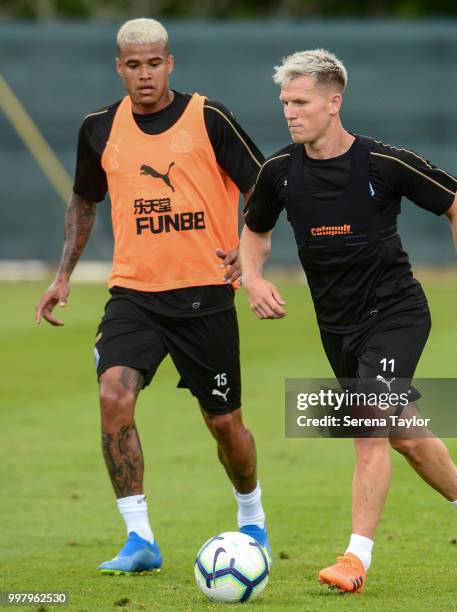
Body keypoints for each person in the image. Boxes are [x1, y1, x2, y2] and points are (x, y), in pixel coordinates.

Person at [240, 49, 457, 593]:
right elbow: (255, 230)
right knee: (405, 437)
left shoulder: (383, 163)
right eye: (284, 103)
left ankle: (354, 559)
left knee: (368, 429)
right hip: (336, 327)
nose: (289, 113)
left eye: (301, 102)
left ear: (334, 103)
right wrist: (252, 276)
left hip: (397, 313)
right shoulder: (278, 172)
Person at [35, 17, 270, 575]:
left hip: (205, 295)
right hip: (134, 294)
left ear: (170, 62)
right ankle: (139, 539)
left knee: (224, 424)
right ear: (120, 67)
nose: (145, 75)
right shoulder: (99, 128)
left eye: (155, 63)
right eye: (133, 65)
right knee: (113, 394)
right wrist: (63, 273)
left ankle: (251, 515)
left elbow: (265, 185)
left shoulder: (209, 118)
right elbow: (84, 201)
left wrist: (248, 250)